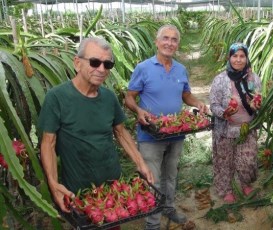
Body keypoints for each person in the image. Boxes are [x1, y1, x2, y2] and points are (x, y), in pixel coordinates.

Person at [38, 37, 154, 215]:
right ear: (77, 63)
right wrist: (53, 184)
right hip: (78, 190)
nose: (101, 69)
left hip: (112, 185)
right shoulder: (56, 98)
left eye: (107, 64)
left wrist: (141, 163)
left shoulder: (109, 98)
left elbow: (121, 132)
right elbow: (48, 143)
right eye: (94, 62)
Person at [124, 24, 207, 230]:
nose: (169, 43)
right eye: (166, 38)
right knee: (153, 179)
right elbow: (129, 97)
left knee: (171, 175)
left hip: (176, 132)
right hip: (150, 134)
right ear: (157, 41)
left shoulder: (181, 69)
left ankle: (169, 208)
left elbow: (185, 95)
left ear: (178, 44)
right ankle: (152, 222)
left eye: (174, 39)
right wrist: (138, 111)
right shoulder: (143, 68)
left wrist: (197, 103)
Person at [209, 42, 262, 203]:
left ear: (247, 58)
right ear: (229, 58)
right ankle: (226, 189)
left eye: (242, 56)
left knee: (248, 160)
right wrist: (224, 113)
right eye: (235, 56)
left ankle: (245, 183)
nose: (238, 60)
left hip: (247, 127)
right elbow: (213, 105)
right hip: (225, 129)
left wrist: (256, 105)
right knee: (225, 161)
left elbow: (258, 98)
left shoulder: (253, 78)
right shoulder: (220, 80)